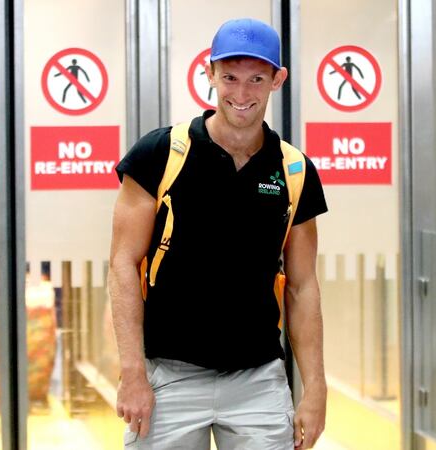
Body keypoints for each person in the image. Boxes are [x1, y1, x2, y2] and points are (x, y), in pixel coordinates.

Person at [109, 18, 328, 449]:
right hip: (167, 377)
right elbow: (122, 265)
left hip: (259, 381)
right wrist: (132, 371)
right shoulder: (160, 154)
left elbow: (302, 287)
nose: (241, 94)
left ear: (277, 80)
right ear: (209, 73)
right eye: (229, 77)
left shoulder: (294, 170)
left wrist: (315, 387)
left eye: (256, 79)